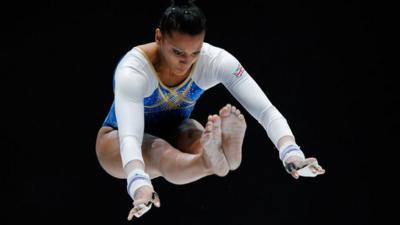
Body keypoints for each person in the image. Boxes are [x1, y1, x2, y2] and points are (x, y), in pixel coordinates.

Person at [95, 0, 325, 220]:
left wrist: (290, 151)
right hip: (116, 142)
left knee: (197, 133)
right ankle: (212, 161)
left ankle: (219, 157)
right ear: (158, 37)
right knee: (158, 149)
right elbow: (131, 138)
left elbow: (266, 110)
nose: (187, 62)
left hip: (176, 129)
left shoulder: (215, 60)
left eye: (195, 52)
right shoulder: (133, 71)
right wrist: (139, 184)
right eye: (178, 53)